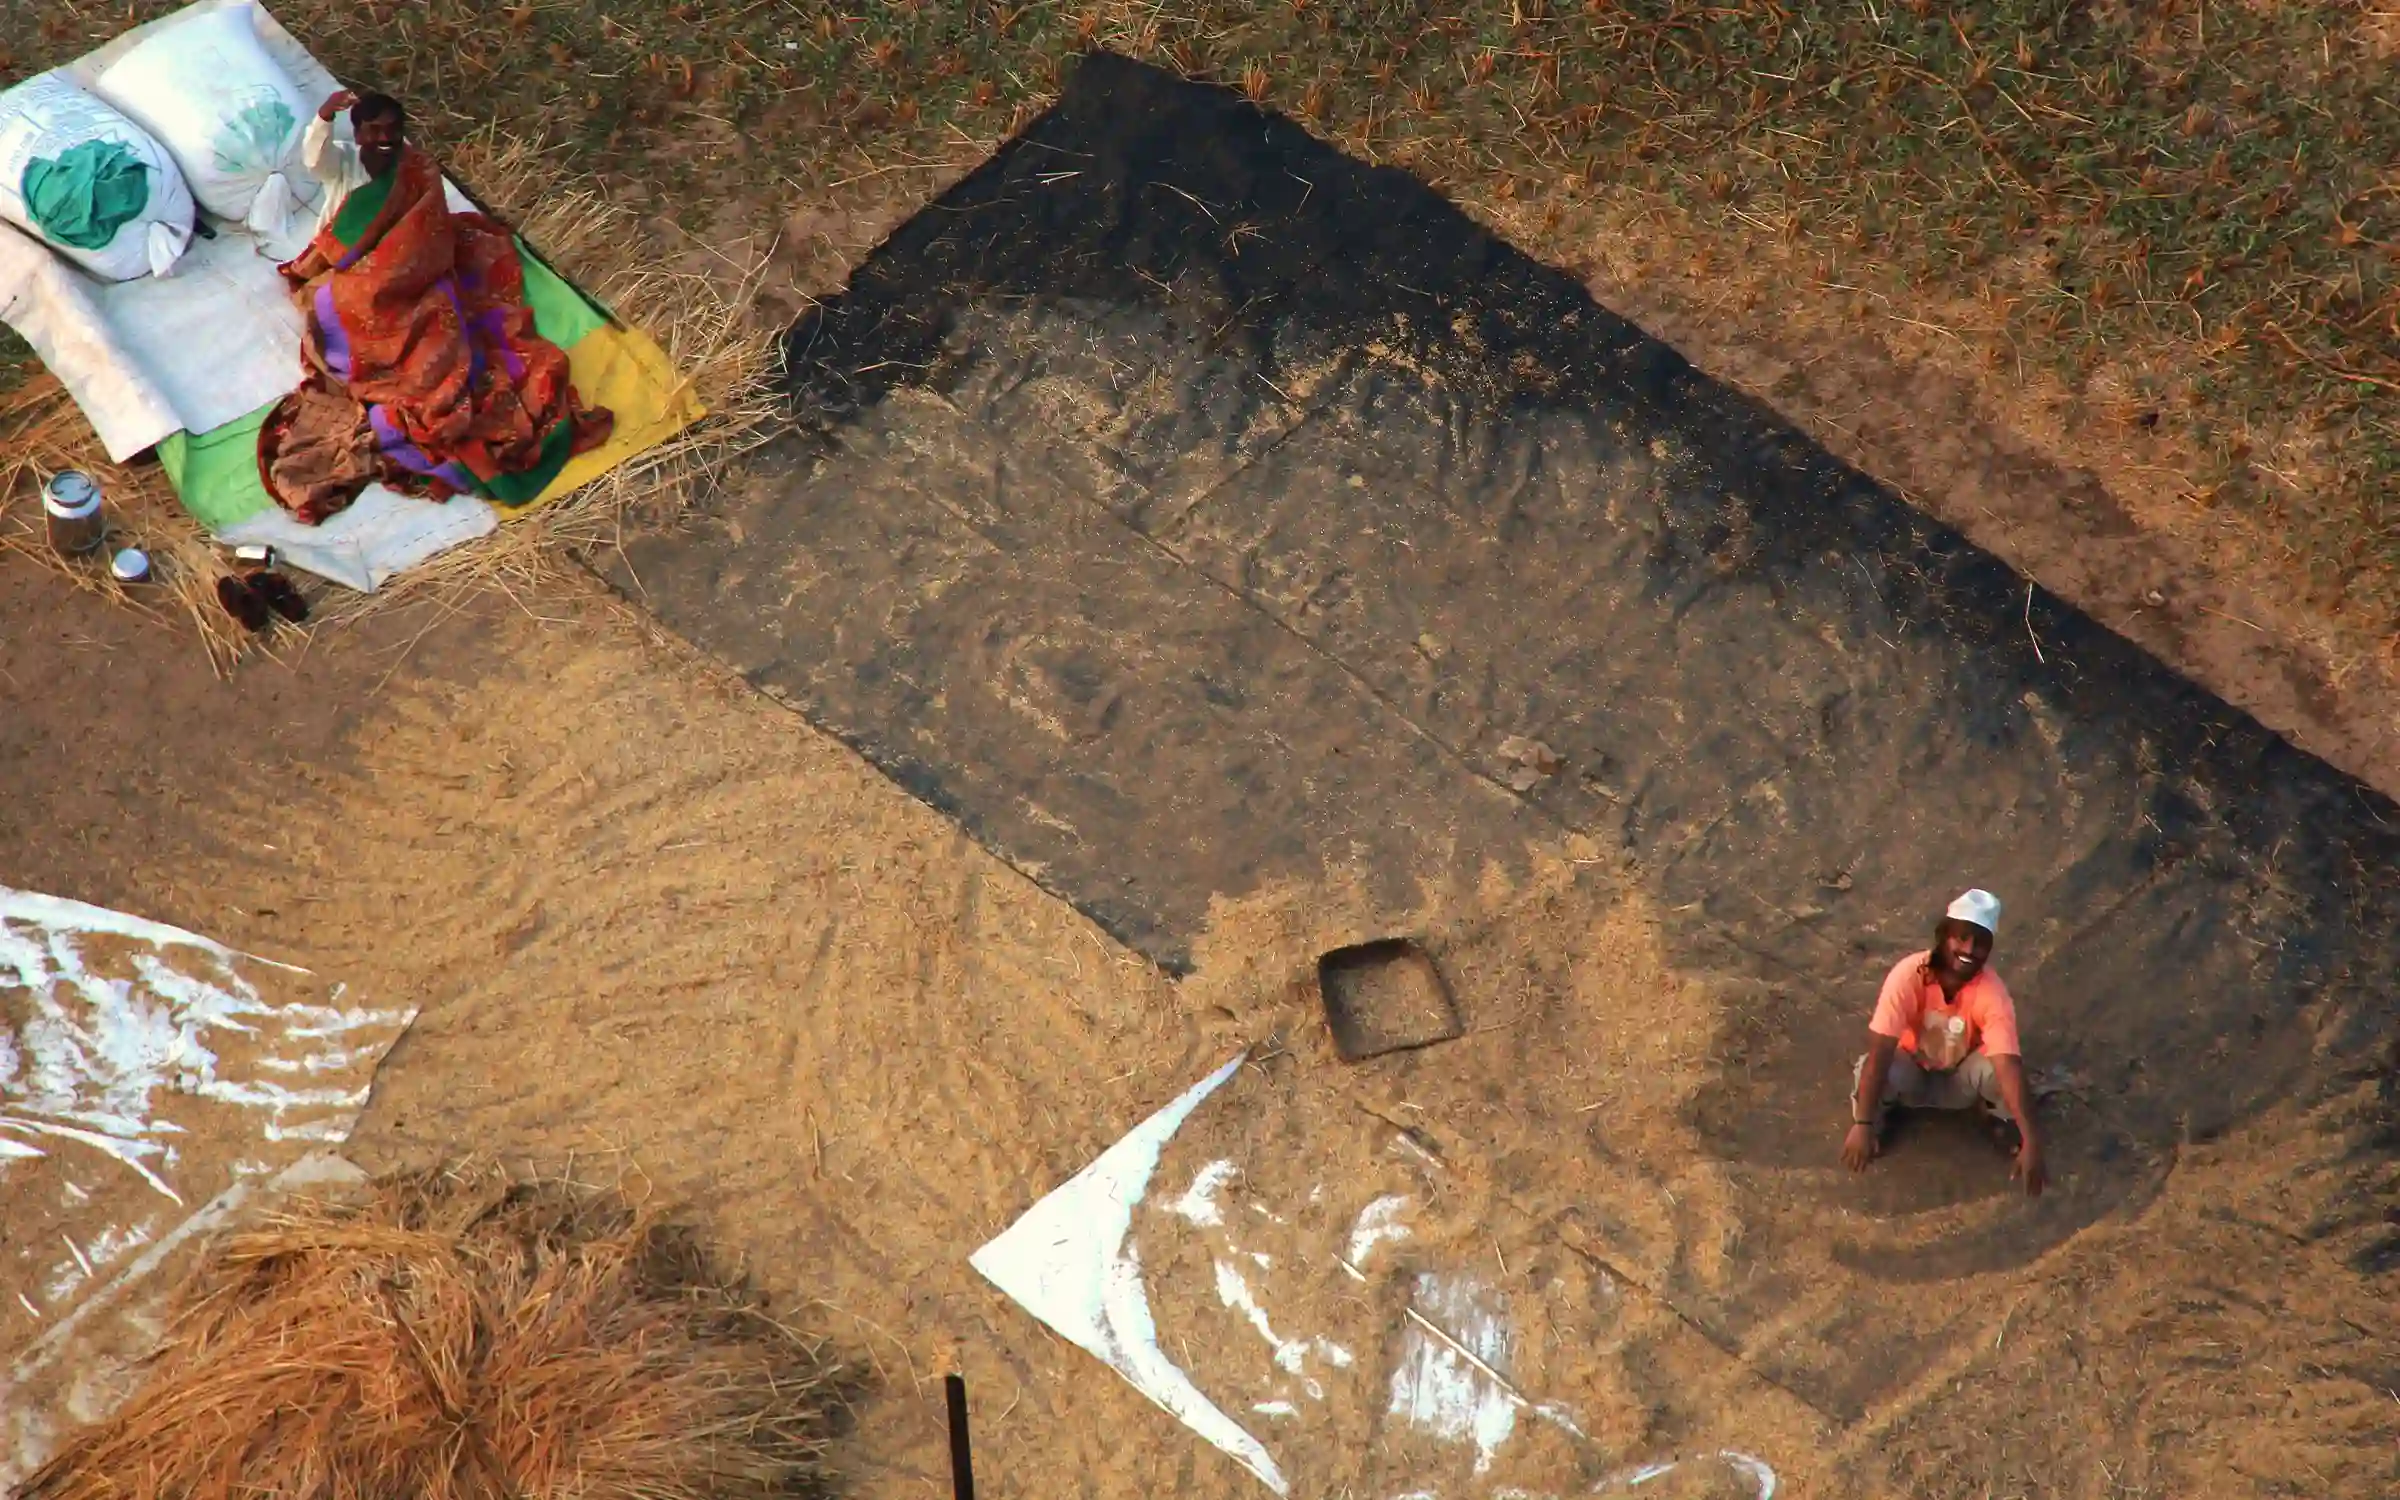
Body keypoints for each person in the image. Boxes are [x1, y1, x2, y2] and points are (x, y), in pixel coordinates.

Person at [260, 88, 612, 522]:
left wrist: (409, 265)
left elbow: (427, 233)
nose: (384, 138)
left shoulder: (416, 171)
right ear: (359, 132)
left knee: (443, 331)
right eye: (374, 130)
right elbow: (314, 161)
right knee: (342, 311)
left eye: (392, 130)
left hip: (414, 277)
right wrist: (324, 116)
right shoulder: (344, 164)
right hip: (350, 268)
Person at [1841, 889, 2046, 1196]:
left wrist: (2033, 1142)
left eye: (1980, 943)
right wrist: (1862, 1123)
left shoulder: (1992, 991)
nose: (1969, 949)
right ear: (1943, 936)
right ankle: (1877, 1118)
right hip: (1911, 1072)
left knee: (1998, 1069)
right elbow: (1880, 1052)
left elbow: (2008, 1064)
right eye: (1961, 937)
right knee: (1874, 1066)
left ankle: (1996, 1115)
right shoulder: (1908, 975)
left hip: (1958, 1080)